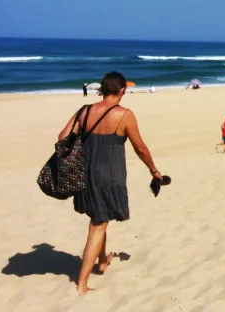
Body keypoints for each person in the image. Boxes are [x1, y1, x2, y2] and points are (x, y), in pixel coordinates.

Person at [56, 71, 162, 296]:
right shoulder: (124, 115)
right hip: (109, 176)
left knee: (99, 217)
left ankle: (102, 260)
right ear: (121, 90)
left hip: (85, 174)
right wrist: (154, 170)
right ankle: (82, 284)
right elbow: (140, 148)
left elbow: (62, 137)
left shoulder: (84, 111)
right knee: (97, 226)